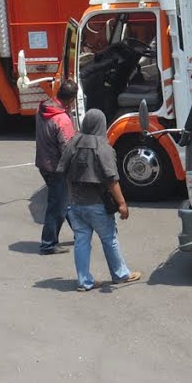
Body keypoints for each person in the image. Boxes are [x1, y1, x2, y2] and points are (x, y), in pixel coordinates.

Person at [59, 109, 141, 291]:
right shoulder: (103, 147)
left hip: (76, 204)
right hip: (97, 205)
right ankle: (120, 274)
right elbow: (111, 180)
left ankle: (83, 281)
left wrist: (72, 197)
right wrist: (122, 204)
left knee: (81, 240)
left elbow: (65, 174)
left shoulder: (72, 143)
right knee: (109, 239)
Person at [35, 80, 77, 255]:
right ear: (71, 100)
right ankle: (48, 243)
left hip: (43, 163)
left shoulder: (43, 108)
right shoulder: (62, 119)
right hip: (56, 168)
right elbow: (68, 150)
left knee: (64, 201)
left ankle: (80, 231)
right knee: (57, 206)